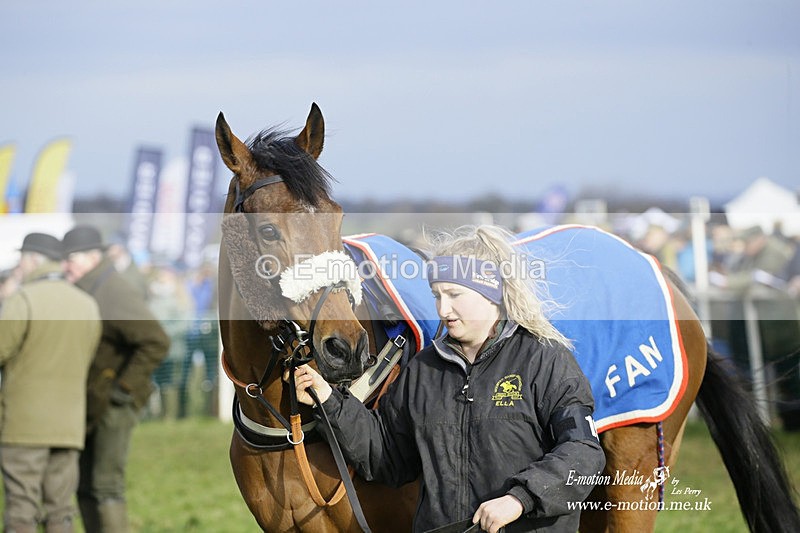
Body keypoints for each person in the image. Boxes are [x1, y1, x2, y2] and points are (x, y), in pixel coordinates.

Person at [292, 225, 606, 533]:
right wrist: (331, 401)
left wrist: (519, 498)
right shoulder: (423, 370)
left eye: (454, 294)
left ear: (491, 292)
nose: (443, 309)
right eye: (437, 295)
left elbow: (583, 453)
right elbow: (386, 457)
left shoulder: (546, 360)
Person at [62, 225, 170, 532]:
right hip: (95, 400)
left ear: (92, 257)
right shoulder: (92, 285)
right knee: (84, 482)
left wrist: (123, 388)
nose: (65, 265)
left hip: (114, 403)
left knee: (106, 485)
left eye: (71, 258)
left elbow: (156, 340)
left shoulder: (112, 291)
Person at [0, 233, 101, 533]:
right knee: (60, 511)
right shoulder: (87, 304)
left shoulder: (23, 299)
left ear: (32, 260)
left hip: (24, 426)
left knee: (22, 509)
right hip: (69, 425)